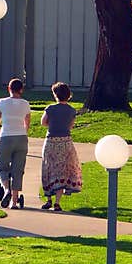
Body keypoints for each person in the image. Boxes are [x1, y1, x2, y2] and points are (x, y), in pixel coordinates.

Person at [40, 81, 83, 211]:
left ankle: (48, 199)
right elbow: (70, 126)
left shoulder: (50, 108)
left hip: (51, 141)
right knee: (62, 171)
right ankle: (57, 202)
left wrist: (52, 124)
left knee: (49, 168)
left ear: (55, 94)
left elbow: (43, 122)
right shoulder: (71, 110)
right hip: (66, 141)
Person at [0, 77, 31, 209]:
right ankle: (14, 202)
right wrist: (23, 133)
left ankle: (6, 189)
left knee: (2, 168)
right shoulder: (26, 104)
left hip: (6, 136)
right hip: (21, 137)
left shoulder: (2, 103)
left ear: (9, 89)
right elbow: (27, 123)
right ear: (21, 90)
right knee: (18, 170)